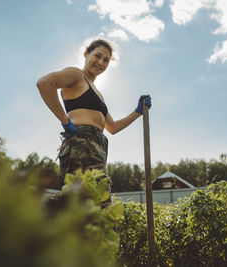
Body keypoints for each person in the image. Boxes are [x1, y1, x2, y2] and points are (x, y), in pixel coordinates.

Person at [36, 39, 152, 206]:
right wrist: (65, 121)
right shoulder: (76, 74)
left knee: (97, 206)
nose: (101, 62)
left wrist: (138, 111)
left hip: (98, 148)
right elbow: (44, 83)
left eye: (106, 60)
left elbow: (112, 127)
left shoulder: (98, 93)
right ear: (86, 54)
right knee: (83, 205)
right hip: (81, 143)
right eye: (97, 56)